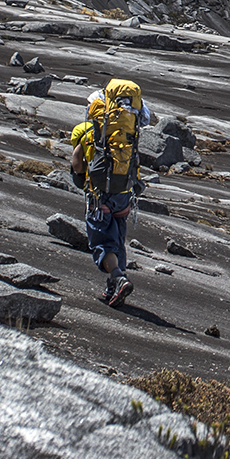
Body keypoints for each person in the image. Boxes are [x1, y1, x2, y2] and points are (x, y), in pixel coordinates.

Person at [69, 77, 149, 306]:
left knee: (102, 241)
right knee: (117, 238)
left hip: (98, 193)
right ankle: (113, 286)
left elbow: (77, 161)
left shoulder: (88, 130)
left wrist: (78, 177)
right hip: (124, 193)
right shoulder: (130, 127)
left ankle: (117, 277)